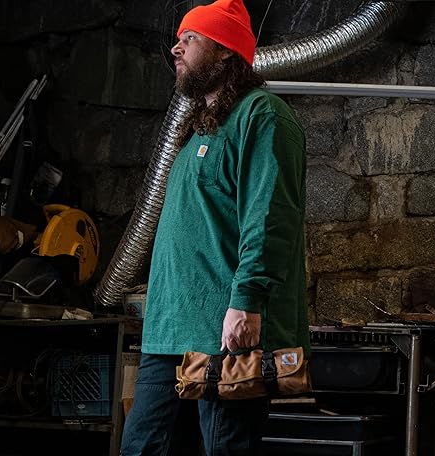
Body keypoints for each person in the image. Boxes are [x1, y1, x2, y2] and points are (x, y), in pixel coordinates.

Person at [120, 0, 310, 455]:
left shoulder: (261, 115)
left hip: (222, 336)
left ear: (225, 50)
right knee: (139, 447)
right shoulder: (198, 132)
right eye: (179, 38)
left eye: (190, 38)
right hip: (169, 332)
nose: (176, 48)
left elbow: (270, 215)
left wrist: (247, 301)